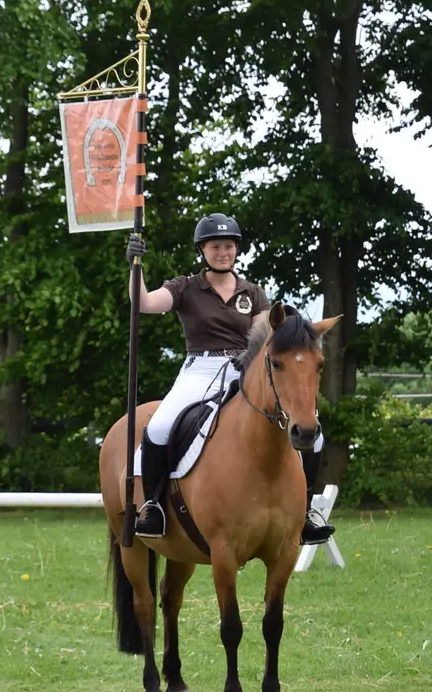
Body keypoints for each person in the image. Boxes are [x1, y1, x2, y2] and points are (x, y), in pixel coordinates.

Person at [123, 213, 334, 545]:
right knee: (160, 426)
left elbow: (268, 333)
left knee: (315, 435)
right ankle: (152, 506)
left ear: (236, 250)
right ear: (203, 250)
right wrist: (136, 267)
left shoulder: (252, 291)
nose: (223, 252)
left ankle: (304, 510)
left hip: (245, 368)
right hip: (200, 369)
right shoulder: (186, 287)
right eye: (216, 246)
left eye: (229, 246)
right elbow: (145, 303)